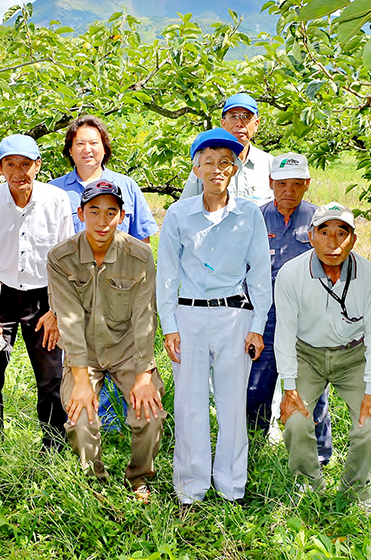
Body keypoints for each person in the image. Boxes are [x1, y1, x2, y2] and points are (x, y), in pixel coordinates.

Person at [157, 128, 272, 506]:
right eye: (209, 163)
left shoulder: (249, 214)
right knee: (189, 404)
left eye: (226, 162)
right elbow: (167, 275)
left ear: (236, 168)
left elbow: (258, 273)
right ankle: (190, 488)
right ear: (196, 168)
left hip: (234, 316)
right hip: (189, 316)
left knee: (231, 404)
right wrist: (169, 326)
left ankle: (231, 485)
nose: (217, 169)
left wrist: (257, 326)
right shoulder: (178, 214)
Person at [47, 180, 166, 502]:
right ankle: (94, 481)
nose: (102, 221)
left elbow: (145, 316)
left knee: (150, 413)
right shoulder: (61, 257)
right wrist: (80, 379)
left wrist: (143, 376)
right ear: (81, 213)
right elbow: (69, 320)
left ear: (122, 216)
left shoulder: (139, 255)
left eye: (111, 213)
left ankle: (139, 479)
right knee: (79, 418)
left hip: (128, 350)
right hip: (82, 352)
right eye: (94, 212)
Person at [276, 202, 371, 507]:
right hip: (307, 356)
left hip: (353, 357)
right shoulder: (291, 274)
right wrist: (288, 387)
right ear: (311, 236)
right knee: (296, 421)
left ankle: (355, 492)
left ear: (353, 239)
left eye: (342, 233)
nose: (332, 242)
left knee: (370, 426)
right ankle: (308, 486)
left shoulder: (370, 276)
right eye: (324, 232)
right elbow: (284, 333)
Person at [49, 115, 160, 430]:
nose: (87, 149)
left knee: (121, 354)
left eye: (93, 143)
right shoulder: (55, 191)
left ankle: (116, 427)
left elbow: (142, 241)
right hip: (73, 290)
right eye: (79, 143)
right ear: (69, 150)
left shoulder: (127, 186)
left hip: (118, 292)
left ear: (104, 148)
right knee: (76, 362)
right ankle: (85, 425)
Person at [0, 134, 74, 451]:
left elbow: (65, 260)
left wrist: (56, 311)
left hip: (43, 297)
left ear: (38, 166)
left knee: (51, 376)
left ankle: (54, 445)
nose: (19, 173)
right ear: (0, 168)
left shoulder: (56, 201)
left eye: (26, 165)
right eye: (11, 165)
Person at [247, 153, 332, 465]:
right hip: (264, 320)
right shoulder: (254, 217)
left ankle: (319, 457)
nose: (289, 190)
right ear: (270, 183)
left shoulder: (320, 221)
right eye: (282, 184)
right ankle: (252, 451)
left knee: (312, 391)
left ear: (307, 184)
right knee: (256, 388)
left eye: (297, 184)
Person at [179, 93, 274, 205]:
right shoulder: (205, 163)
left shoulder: (269, 164)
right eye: (233, 117)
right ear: (223, 123)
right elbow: (185, 206)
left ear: (256, 124)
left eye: (246, 117)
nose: (239, 123)